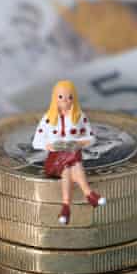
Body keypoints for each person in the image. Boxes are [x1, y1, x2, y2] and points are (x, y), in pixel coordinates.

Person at [32, 80, 106, 224]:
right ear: (55, 98)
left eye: (69, 97)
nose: (65, 100)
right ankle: (89, 194)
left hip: (73, 154)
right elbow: (36, 142)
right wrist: (50, 146)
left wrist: (80, 143)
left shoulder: (79, 117)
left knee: (69, 168)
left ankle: (66, 207)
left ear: (74, 98)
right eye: (61, 97)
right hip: (55, 159)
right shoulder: (48, 119)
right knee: (71, 165)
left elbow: (91, 138)